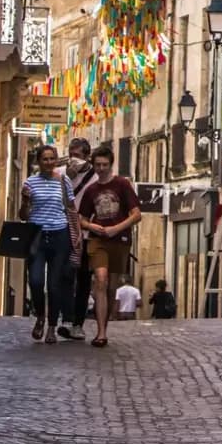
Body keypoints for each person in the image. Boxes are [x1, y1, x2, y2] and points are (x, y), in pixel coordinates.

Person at [77, 142, 141, 347]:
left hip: (119, 240)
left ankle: (103, 326)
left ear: (111, 165)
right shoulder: (91, 190)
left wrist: (116, 228)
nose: (101, 168)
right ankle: (101, 333)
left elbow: (136, 215)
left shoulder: (122, 185)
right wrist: (92, 226)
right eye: (98, 165)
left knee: (112, 287)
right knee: (101, 280)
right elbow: (81, 219)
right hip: (98, 240)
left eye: (105, 164)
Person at [19, 144, 76, 345]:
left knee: (54, 284)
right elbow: (23, 216)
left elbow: (71, 208)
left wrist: (75, 235)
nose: (49, 162)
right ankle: (40, 316)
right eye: (45, 159)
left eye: (52, 158)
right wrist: (25, 202)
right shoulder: (30, 182)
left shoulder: (64, 181)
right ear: (38, 161)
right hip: (37, 235)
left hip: (60, 234)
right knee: (35, 281)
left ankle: (51, 326)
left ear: (56, 160)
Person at [61, 137, 96, 341]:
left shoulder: (96, 177)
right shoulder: (62, 174)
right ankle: (66, 319)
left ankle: (77, 324)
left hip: (87, 235)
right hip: (65, 231)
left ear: (87, 156)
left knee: (83, 279)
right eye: (71, 154)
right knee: (65, 276)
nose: (73, 159)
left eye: (77, 155)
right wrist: (68, 177)